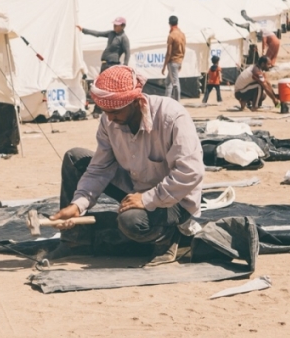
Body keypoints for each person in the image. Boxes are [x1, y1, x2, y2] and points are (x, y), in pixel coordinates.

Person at [48, 65, 204, 266]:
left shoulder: (171, 117)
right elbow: (99, 169)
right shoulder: (109, 120)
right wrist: (77, 205)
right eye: (106, 111)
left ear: (136, 102)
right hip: (135, 188)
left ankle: (167, 238)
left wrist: (148, 198)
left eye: (115, 111)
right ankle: (75, 241)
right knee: (75, 158)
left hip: (175, 198)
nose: (110, 118)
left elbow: (190, 173)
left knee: (130, 222)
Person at [161, 15, 186, 101]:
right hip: (179, 60)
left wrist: (164, 66)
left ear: (169, 23)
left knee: (175, 83)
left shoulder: (171, 35)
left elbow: (169, 52)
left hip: (172, 61)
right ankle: (167, 101)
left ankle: (176, 102)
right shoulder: (182, 34)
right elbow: (183, 50)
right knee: (168, 82)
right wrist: (181, 62)